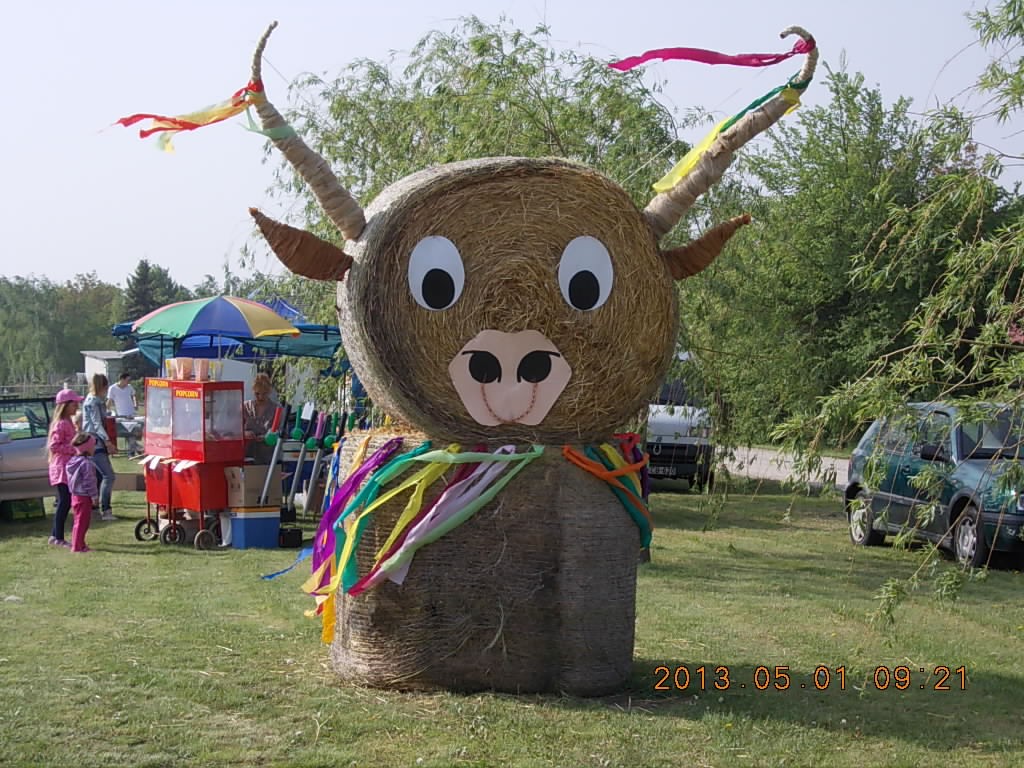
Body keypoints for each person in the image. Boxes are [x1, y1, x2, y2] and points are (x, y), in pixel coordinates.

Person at [47, 388, 83, 548]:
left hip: (67, 467)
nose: (77, 407)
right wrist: (74, 449)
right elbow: (54, 446)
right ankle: (58, 537)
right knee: (64, 502)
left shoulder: (69, 422)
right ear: (65, 405)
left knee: (65, 501)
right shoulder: (61, 424)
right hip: (61, 468)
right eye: (74, 404)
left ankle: (55, 535)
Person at [81, 373, 118, 521]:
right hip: (95, 443)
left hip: (95, 441)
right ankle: (106, 509)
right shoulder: (93, 402)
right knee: (108, 476)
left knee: (97, 476)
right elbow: (96, 424)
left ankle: (93, 508)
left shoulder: (95, 401)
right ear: (103, 387)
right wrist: (107, 441)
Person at [66, 433, 99, 553]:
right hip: (84, 497)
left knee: (79, 521)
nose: (94, 448)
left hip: (75, 495)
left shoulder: (73, 461)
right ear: (87, 448)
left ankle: (80, 544)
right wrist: (94, 496)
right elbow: (89, 482)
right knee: (82, 522)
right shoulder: (86, 464)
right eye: (93, 446)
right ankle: (77, 546)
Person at [243, 372, 280, 464]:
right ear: (253, 390)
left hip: (268, 458)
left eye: (264, 394)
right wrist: (244, 433)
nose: (260, 397)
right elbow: (235, 430)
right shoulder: (245, 407)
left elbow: (282, 433)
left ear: (269, 391)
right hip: (248, 457)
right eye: (257, 393)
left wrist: (268, 437)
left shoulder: (276, 409)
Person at [107, 372, 141, 454]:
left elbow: (134, 395)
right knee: (128, 433)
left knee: (133, 432)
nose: (129, 382)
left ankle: (134, 449)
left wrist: (136, 404)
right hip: (121, 415)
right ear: (122, 379)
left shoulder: (129, 387)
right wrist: (107, 410)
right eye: (127, 380)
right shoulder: (112, 388)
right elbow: (109, 401)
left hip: (132, 414)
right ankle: (135, 449)